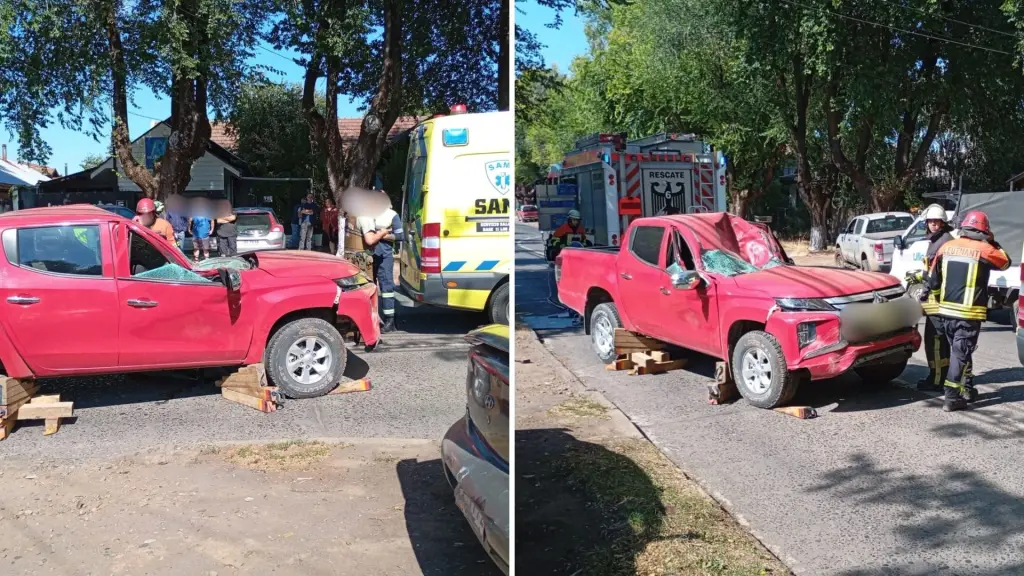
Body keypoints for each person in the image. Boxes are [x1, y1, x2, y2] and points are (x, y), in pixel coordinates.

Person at [925, 210, 1010, 412]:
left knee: (960, 351)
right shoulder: (985, 249)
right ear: (984, 231)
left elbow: (934, 280)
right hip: (969, 313)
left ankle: (967, 388)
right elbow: (1005, 262)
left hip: (946, 311)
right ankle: (952, 396)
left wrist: (938, 298)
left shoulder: (946, 246)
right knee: (961, 353)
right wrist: (992, 241)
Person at [908, 204, 954, 392]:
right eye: (931, 221)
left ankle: (936, 380)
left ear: (943, 223)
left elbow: (936, 278)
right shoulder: (940, 240)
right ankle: (942, 376)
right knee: (939, 341)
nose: (934, 224)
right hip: (938, 299)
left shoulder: (942, 243)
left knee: (935, 342)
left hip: (938, 301)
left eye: (937, 221)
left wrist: (921, 279)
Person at [358, 191, 402, 333]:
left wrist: (382, 235)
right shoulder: (368, 214)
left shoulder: (391, 214)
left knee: (387, 287)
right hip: (368, 255)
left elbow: (400, 235)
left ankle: (390, 321)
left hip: (384, 255)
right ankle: (372, 319)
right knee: (369, 286)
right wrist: (379, 232)